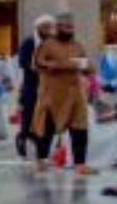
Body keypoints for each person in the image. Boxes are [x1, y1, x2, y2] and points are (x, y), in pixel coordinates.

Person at [32, 12, 94, 174]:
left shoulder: (77, 45)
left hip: (74, 94)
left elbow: (88, 65)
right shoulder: (47, 45)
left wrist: (83, 66)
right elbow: (38, 63)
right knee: (46, 127)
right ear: (58, 28)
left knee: (80, 128)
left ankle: (80, 163)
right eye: (65, 27)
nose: (69, 30)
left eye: (71, 28)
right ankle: (42, 160)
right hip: (52, 94)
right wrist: (63, 65)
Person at [17, 16, 50, 161]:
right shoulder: (29, 42)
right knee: (29, 115)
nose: (48, 30)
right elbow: (22, 62)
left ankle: (42, 146)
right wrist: (36, 68)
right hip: (31, 85)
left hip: (48, 86)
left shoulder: (51, 43)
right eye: (45, 27)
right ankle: (23, 140)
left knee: (46, 117)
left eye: (50, 27)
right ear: (38, 28)